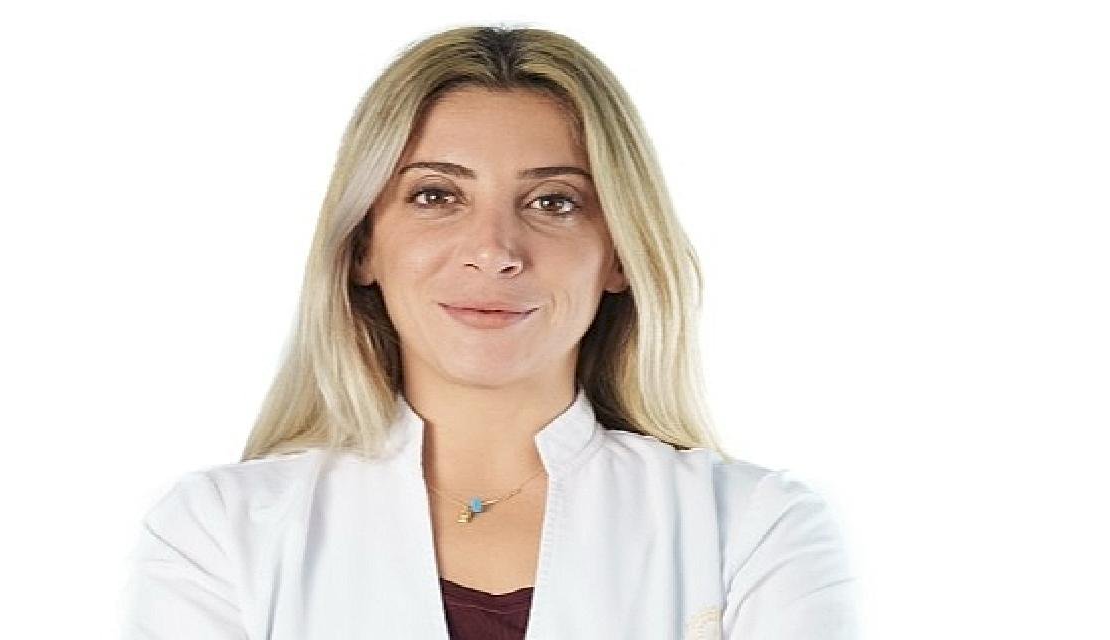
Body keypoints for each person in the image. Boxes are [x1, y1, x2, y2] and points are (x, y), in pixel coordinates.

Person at [119, 24, 860, 639]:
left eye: (554, 201)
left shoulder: (754, 529)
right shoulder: (219, 533)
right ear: (363, 245)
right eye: (437, 195)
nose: (495, 251)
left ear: (619, 256)